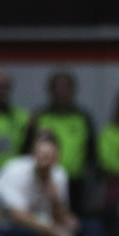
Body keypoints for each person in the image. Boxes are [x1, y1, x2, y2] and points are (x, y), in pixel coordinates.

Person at [0, 130, 77, 236]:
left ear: (57, 157)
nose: (45, 161)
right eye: (41, 155)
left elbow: (60, 217)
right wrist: (51, 230)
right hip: (7, 221)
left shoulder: (59, 175)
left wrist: (55, 199)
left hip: (41, 221)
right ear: (33, 155)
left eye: (49, 157)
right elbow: (17, 215)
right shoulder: (15, 170)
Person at [29, 71, 97, 214]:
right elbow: (29, 146)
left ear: (73, 90)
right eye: (57, 88)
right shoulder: (40, 115)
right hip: (45, 176)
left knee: (75, 218)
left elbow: (92, 151)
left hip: (76, 181)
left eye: (66, 88)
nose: (61, 92)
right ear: (50, 90)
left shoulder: (83, 117)